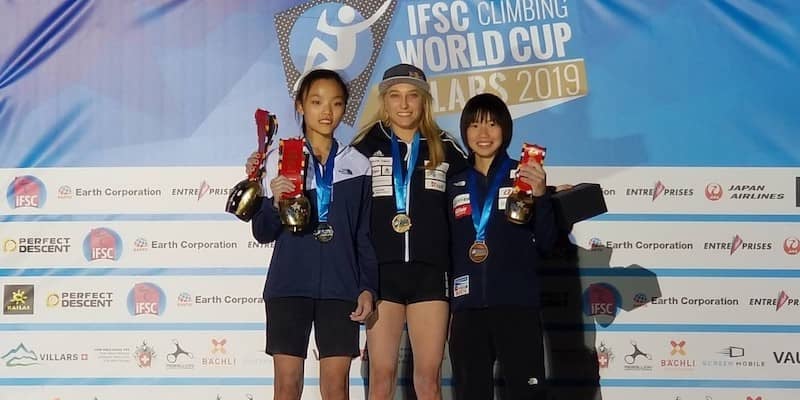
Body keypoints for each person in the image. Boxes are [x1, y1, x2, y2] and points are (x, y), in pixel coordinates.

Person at [250, 68, 378, 400]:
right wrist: (275, 203)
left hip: (340, 288)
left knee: (336, 389)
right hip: (288, 286)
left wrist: (367, 287)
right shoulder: (280, 159)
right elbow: (262, 231)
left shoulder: (359, 164)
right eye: (317, 102)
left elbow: (363, 234)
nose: (327, 112)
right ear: (300, 105)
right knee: (287, 386)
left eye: (336, 103)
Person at [351, 63, 468, 400]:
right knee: (381, 378)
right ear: (384, 101)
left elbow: (481, 187)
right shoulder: (363, 147)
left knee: (428, 381)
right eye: (395, 96)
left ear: (424, 101)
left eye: (412, 96)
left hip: (430, 275)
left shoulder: (446, 147)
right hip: (381, 276)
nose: (404, 104)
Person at [446, 93, 558, 400]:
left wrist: (541, 196)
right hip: (468, 310)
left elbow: (547, 242)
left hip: (517, 305)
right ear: (464, 130)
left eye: (492, 124)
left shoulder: (525, 176)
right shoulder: (453, 183)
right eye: (475, 125)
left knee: (527, 394)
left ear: (505, 129)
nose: (483, 134)